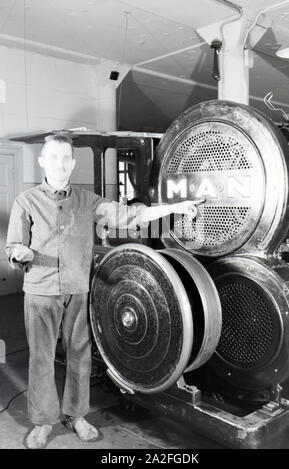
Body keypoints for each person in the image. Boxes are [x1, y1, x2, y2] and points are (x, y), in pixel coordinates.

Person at [5, 134, 204, 449]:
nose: (59, 163)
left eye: (64, 158)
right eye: (53, 157)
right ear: (43, 161)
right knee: (41, 359)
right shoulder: (25, 202)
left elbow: (131, 215)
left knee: (80, 356)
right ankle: (43, 422)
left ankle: (76, 415)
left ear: (72, 163)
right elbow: (14, 245)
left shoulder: (88, 201)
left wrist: (176, 207)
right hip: (40, 292)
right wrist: (20, 253)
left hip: (78, 289)